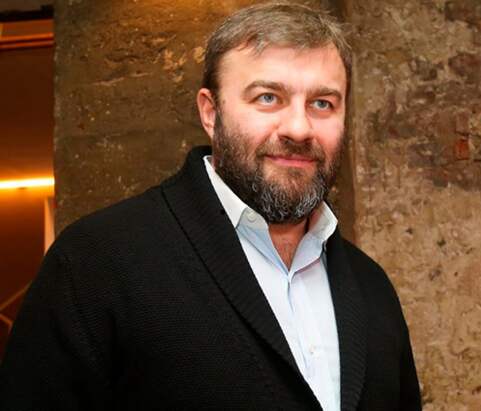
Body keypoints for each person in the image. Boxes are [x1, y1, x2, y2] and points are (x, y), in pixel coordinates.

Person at [0, 3, 422, 410]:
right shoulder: (96, 263)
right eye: (268, 98)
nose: (298, 128)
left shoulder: (372, 287)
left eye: (322, 103)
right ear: (210, 113)